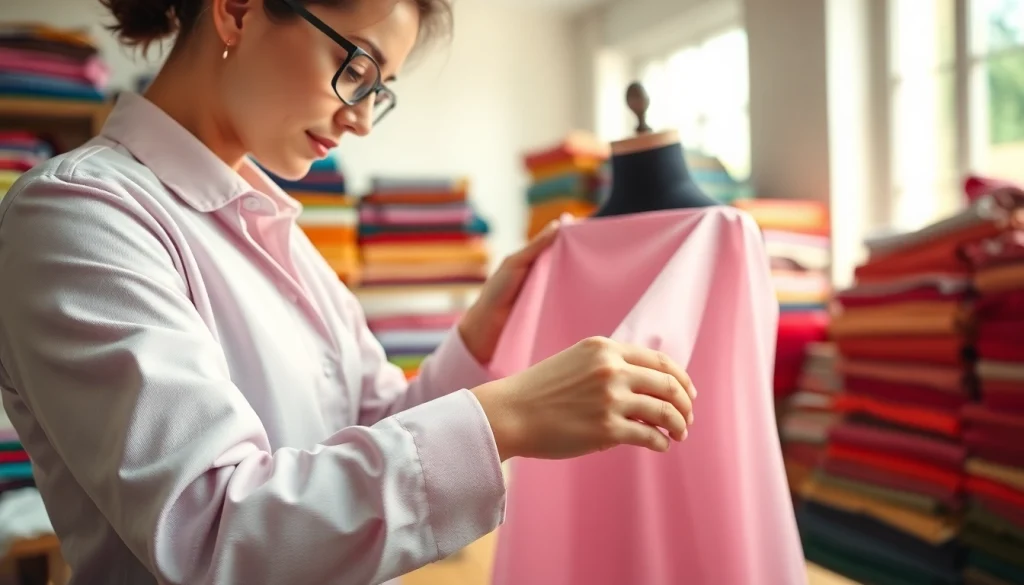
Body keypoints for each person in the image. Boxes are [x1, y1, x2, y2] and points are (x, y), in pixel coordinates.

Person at [0, 0, 697, 583]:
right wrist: (503, 418)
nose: (361, 118)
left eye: (378, 88)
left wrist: (480, 332)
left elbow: (373, 423)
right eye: (356, 68)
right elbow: (211, 530)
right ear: (237, 11)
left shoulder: (279, 236)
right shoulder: (78, 216)